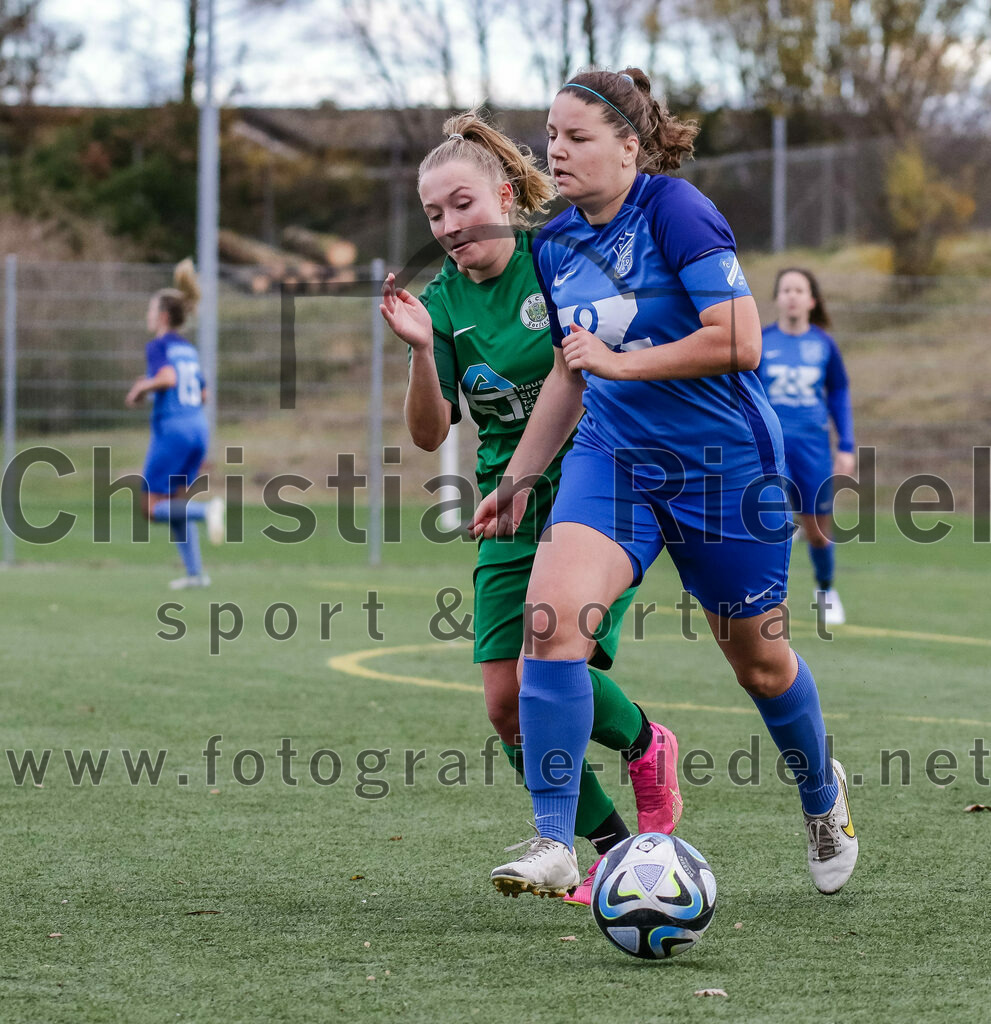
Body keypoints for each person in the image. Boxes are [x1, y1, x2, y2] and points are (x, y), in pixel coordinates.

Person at [472, 69, 858, 898]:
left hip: (723, 468)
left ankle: (820, 793)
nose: (556, 151)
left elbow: (739, 339)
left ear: (628, 146)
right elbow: (570, 374)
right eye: (551, 136)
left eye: (576, 137)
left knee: (759, 665)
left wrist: (620, 363)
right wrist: (518, 478)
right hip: (613, 458)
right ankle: (554, 840)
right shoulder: (553, 242)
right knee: (550, 622)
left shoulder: (675, 210)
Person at [380, 111, 682, 905]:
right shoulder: (442, 302)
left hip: (590, 486)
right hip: (504, 504)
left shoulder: (557, 261)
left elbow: (587, 371)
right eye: (434, 214)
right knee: (505, 705)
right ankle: (610, 845)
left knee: (550, 662)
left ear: (505, 198)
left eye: (462, 204)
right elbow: (427, 433)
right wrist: (421, 350)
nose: (449, 226)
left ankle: (642, 747)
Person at [757, 268, 855, 626]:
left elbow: (839, 392)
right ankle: (765, 599)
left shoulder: (823, 344)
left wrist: (846, 445)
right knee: (771, 522)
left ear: (812, 300)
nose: (792, 296)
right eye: (786, 290)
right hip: (771, 448)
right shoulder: (761, 341)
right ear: (777, 298)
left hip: (813, 447)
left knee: (817, 530)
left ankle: (826, 590)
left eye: (799, 290)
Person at [125, 260, 224, 588]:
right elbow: (204, 394)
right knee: (176, 505)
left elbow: (168, 378)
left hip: (173, 431)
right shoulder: (188, 350)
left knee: (151, 508)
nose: (148, 315)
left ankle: (207, 511)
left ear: (163, 316)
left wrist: (143, 387)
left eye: (152, 309)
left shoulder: (159, 346)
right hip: (198, 428)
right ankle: (195, 575)